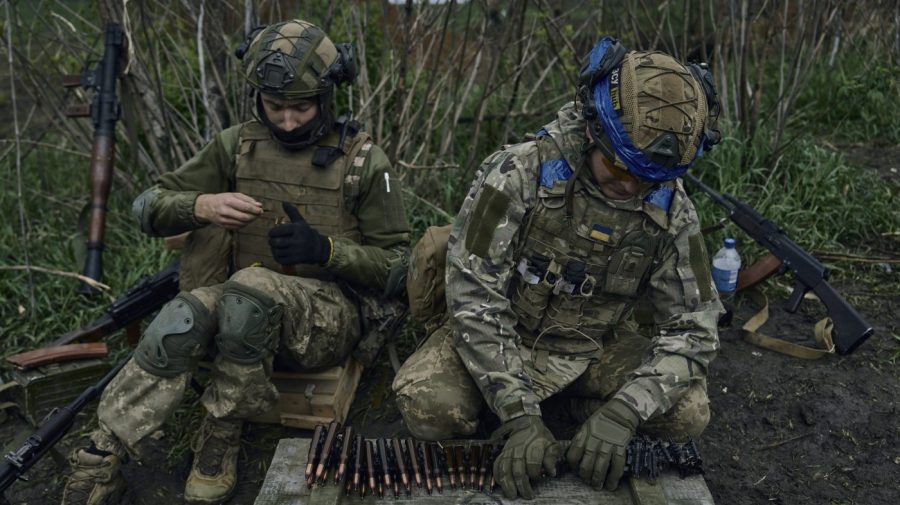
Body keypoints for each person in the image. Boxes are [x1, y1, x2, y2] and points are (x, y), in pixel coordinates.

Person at [62, 19, 409, 505]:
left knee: (251, 287)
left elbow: (399, 266)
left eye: (302, 108)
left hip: (327, 323)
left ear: (328, 98)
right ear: (258, 100)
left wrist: (326, 250)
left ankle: (221, 430)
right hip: (239, 316)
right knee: (183, 315)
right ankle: (103, 453)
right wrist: (200, 205)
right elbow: (146, 205)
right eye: (274, 107)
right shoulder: (237, 146)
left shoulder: (363, 162)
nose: (287, 122)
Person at [393, 37, 723, 500]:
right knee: (429, 408)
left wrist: (625, 412)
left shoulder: (671, 209)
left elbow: (695, 326)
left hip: (595, 348)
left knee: (689, 411)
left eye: (648, 177)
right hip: (506, 335)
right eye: (618, 168)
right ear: (593, 131)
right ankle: (534, 417)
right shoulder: (519, 172)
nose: (630, 187)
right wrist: (518, 413)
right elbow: (472, 295)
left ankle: (582, 417)